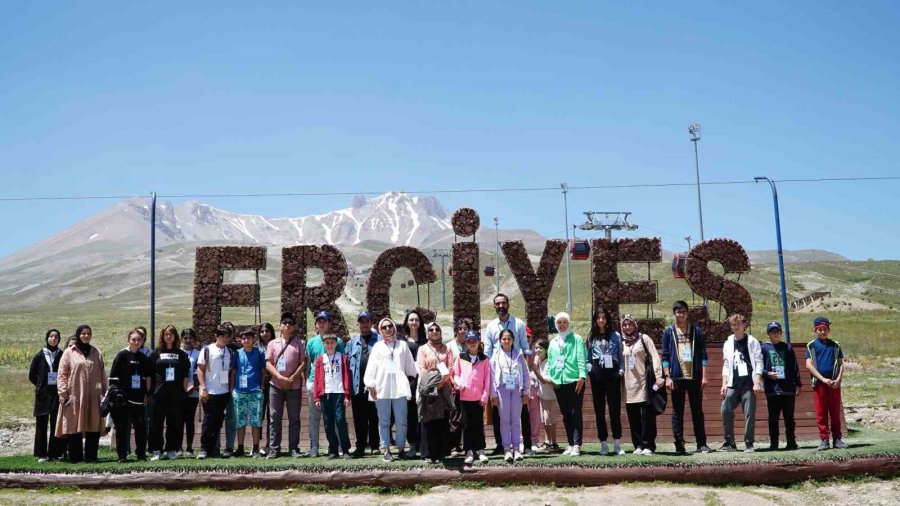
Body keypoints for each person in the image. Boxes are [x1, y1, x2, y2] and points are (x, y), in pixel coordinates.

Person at [364, 317, 418, 462]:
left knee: (401, 420)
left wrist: (411, 383)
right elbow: (371, 367)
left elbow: (410, 367)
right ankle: (386, 449)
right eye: (384, 327)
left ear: (394, 327)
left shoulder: (402, 345)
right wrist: (370, 384)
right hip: (382, 388)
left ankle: (401, 449)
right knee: (384, 421)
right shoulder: (377, 346)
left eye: (390, 326)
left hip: (399, 388)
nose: (388, 329)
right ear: (380, 330)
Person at [661, 301, 712, 455]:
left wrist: (704, 376)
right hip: (676, 378)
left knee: (697, 411)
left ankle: (701, 443)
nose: (681, 314)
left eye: (683, 311)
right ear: (674, 313)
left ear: (688, 313)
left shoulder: (696, 331)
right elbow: (665, 356)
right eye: (678, 312)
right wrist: (667, 377)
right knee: (678, 411)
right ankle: (679, 444)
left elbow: (703, 355)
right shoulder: (668, 332)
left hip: (694, 377)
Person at [483, 294, 530, 454]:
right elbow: (488, 351)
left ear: (508, 304)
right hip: (500, 377)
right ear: (494, 306)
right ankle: (502, 445)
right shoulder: (490, 326)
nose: (501, 305)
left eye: (504, 302)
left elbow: (525, 345)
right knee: (500, 416)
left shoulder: (519, 324)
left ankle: (524, 445)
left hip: (517, 373)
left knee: (520, 415)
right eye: (498, 303)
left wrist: (527, 362)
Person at [56, 324, 106, 463]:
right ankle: (75, 458)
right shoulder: (69, 352)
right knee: (74, 426)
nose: (86, 336)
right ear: (78, 335)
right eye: (83, 333)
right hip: (75, 396)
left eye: (88, 333)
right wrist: (63, 393)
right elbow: (62, 374)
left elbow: (102, 374)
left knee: (93, 426)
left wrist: (103, 393)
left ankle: (91, 457)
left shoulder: (96, 352)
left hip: (93, 396)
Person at [719, 313, 764, 453]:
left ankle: (749, 443)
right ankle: (730, 442)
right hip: (733, 383)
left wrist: (757, 382)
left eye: (739, 323)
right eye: (733, 324)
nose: (736, 326)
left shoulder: (752, 341)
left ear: (744, 325)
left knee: (749, 414)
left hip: (748, 384)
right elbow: (726, 364)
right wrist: (724, 384)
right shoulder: (728, 342)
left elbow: (758, 362)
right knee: (725, 409)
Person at [621, 314, 663, 456]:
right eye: (625, 325)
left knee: (647, 416)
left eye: (630, 324)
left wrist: (658, 376)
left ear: (635, 325)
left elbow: (655, 357)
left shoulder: (643, 339)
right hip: (628, 385)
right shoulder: (621, 342)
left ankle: (648, 445)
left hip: (644, 383)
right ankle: (638, 444)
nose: (627, 327)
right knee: (633, 417)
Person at [266, 312, 306, 459]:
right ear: (280, 326)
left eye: (290, 322)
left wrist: (292, 378)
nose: (287, 325)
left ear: (294, 326)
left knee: (294, 418)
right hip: (275, 385)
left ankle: (293, 448)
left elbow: (303, 363)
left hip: (293, 386)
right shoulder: (272, 343)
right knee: (274, 417)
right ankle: (274, 448)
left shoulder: (300, 343)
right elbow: (268, 363)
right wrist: (280, 377)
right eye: (284, 322)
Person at [147, 325, 190, 461]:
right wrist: (149, 393)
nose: (169, 336)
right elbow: (149, 374)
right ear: (163, 336)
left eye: (171, 334)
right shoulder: (156, 353)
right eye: (166, 334)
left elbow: (185, 375)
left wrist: (184, 392)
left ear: (175, 336)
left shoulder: (181, 354)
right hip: (158, 394)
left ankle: (171, 449)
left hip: (176, 395)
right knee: (156, 423)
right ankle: (156, 450)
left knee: (174, 423)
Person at [586, 308, 626, 456]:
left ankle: (617, 443)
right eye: (598, 318)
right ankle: (603, 443)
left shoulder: (616, 335)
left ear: (608, 320)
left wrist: (620, 370)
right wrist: (590, 370)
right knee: (599, 410)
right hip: (597, 373)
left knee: (614, 410)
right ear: (595, 320)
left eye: (604, 317)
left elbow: (620, 355)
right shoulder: (591, 337)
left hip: (612, 373)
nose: (601, 320)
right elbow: (588, 359)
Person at [546, 312, 587, 456]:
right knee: (565, 413)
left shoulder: (576, 339)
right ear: (555, 325)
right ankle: (570, 443)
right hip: (559, 382)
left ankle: (577, 444)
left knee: (575, 412)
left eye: (564, 322)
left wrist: (582, 376)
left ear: (569, 323)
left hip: (574, 380)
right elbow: (550, 362)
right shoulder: (553, 342)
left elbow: (581, 358)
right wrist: (549, 376)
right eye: (559, 322)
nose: (562, 325)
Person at [108, 328, 152, 462]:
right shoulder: (122, 355)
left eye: (139, 340)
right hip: (123, 399)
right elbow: (113, 378)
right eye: (134, 339)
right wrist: (117, 393)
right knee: (121, 428)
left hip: (138, 399)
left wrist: (147, 394)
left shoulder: (143, 358)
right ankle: (122, 455)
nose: (136, 342)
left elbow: (147, 378)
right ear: (129, 340)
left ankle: (141, 454)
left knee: (140, 428)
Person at [305, 311, 344, 457]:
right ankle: (313, 446)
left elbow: (342, 362)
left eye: (324, 321)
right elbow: (308, 364)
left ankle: (337, 446)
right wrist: (308, 381)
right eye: (319, 321)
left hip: (332, 385)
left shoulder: (337, 341)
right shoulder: (311, 342)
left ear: (329, 323)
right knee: (314, 417)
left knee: (334, 418)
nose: (322, 324)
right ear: (316, 324)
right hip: (314, 383)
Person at [416, 321, 456, 464]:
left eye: (437, 329)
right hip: (427, 387)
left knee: (442, 419)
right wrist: (432, 383)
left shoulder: (447, 348)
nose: (434, 331)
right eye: (431, 329)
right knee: (428, 420)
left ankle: (441, 453)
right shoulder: (422, 349)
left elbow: (450, 367)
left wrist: (441, 383)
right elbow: (421, 368)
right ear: (428, 333)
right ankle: (428, 453)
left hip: (443, 387)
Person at [806, 316, 846, 451]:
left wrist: (838, 379)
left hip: (834, 383)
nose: (822, 332)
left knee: (835, 412)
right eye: (819, 330)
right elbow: (809, 365)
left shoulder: (836, 345)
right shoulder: (811, 346)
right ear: (815, 330)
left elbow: (841, 364)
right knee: (821, 412)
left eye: (825, 329)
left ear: (829, 330)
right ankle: (824, 439)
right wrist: (822, 379)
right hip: (819, 383)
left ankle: (837, 439)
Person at [196, 325, 236, 459]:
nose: (224, 338)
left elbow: (230, 372)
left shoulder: (229, 352)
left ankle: (213, 449)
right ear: (216, 336)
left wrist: (229, 389)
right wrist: (203, 388)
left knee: (218, 422)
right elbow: (200, 369)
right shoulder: (207, 350)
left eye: (227, 335)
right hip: (210, 391)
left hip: (223, 392)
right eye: (222, 335)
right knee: (208, 421)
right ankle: (203, 449)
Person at [491, 328, 530, 463]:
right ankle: (507, 449)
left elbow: (525, 374)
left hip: (517, 391)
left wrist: (526, 391)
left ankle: (517, 449)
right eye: (504, 339)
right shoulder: (495, 355)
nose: (506, 341)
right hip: (502, 390)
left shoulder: (518, 354)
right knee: (504, 420)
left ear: (513, 340)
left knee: (516, 420)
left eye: (509, 338)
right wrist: (493, 395)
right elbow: (491, 376)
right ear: (500, 341)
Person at [761, 321, 801, 451]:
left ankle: (791, 442)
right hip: (772, 389)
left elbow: (794, 367)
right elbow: (758, 367)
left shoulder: (787, 347)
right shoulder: (764, 348)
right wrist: (767, 374)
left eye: (777, 331)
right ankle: (774, 443)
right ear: (768, 334)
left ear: (781, 333)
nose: (775, 334)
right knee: (773, 418)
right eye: (772, 332)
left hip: (787, 389)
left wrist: (798, 384)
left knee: (789, 417)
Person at [453, 330, 491, 465]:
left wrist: (485, 396)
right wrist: (459, 384)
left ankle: (480, 450)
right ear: (466, 343)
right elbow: (455, 374)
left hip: (479, 398)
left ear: (478, 342)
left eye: (474, 340)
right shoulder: (461, 357)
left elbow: (488, 380)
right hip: (465, 397)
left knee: (479, 425)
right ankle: (469, 451)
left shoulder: (485, 359)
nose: (472, 343)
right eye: (469, 341)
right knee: (467, 425)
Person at [313, 333, 352, 459]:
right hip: (326, 394)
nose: (329, 345)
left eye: (332, 343)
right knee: (328, 422)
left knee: (340, 420)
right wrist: (317, 397)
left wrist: (347, 395)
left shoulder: (343, 358)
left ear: (336, 344)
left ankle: (345, 449)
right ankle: (333, 450)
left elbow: (346, 376)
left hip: (339, 393)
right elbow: (317, 379)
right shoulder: (320, 359)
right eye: (327, 343)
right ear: (324, 345)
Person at [346, 311, 380, 457]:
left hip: (375, 386)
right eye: (362, 321)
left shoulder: (379, 341)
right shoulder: (351, 343)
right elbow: (347, 366)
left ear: (371, 322)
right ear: (358, 324)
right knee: (359, 419)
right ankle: (360, 447)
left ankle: (375, 445)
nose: (364, 324)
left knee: (374, 417)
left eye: (367, 321)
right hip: (357, 386)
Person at [29, 329, 64, 462]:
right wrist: (40, 385)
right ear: (47, 338)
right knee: (41, 424)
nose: (53, 339)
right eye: (51, 336)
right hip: (42, 395)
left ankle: (54, 453)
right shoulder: (39, 355)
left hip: (57, 393)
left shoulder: (61, 354)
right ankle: (41, 454)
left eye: (56, 337)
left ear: (59, 339)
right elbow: (32, 375)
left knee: (56, 423)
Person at [234, 328, 266, 457]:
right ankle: (240, 447)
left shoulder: (259, 352)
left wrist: (262, 386)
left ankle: (256, 448)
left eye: (249, 338)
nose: (246, 340)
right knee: (240, 420)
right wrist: (232, 389)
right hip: (239, 391)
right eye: (243, 338)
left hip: (255, 391)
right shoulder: (236, 353)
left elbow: (263, 371)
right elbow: (233, 371)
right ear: (240, 340)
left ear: (253, 339)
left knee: (256, 421)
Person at [398, 309, 425, 456]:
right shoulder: (401, 341)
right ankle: (412, 445)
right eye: (411, 319)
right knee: (409, 415)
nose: (414, 322)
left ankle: (423, 445)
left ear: (420, 323)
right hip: (407, 382)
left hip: (422, 383)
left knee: (422, 414)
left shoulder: (425, 341)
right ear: (407, 322)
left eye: (416, 320)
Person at [447, 318, 472, 454]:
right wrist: (452, 381)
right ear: (456, 330)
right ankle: (454, 445)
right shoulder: (449, 346)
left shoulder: (470, 344)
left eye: (465, 328)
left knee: (467, 417)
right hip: (454, 386)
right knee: (455, 416)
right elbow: (447, 367)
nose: (462, 331)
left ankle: (468, 445)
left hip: (469, 388)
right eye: (460, 328)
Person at [534, 339, 560, 452]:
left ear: (546, 350)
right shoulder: (539, 360)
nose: (537, 350)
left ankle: (553, 443)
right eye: (536, 348)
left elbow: (545, 380)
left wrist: (535, 371)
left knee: (550, 420)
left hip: (550, 395)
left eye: (540, 348)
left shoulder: (549, 362)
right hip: (542, 394)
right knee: (544, 420)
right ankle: (547, 442)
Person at [181, 328, 201, 455]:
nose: (188, 340)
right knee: (178, 419)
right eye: (185, 338)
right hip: (179, 392)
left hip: (193, 391)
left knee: (189, 419)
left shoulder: (198, 353)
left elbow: (201, 372)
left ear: (194, 339)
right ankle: (177, 447)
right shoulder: (178, 352)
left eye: (190, 338)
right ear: (182, 339)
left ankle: (189, 447)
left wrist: (195, 385)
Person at [257, 322, 275, 454]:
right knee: (258, 414)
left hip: (273, 382)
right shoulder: (256, 348)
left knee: (271, 415)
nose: (264, 334)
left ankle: (269, 444)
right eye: (262, 331)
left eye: (267, 331)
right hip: (259, 384)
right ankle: (256, 445)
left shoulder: (276, 345)